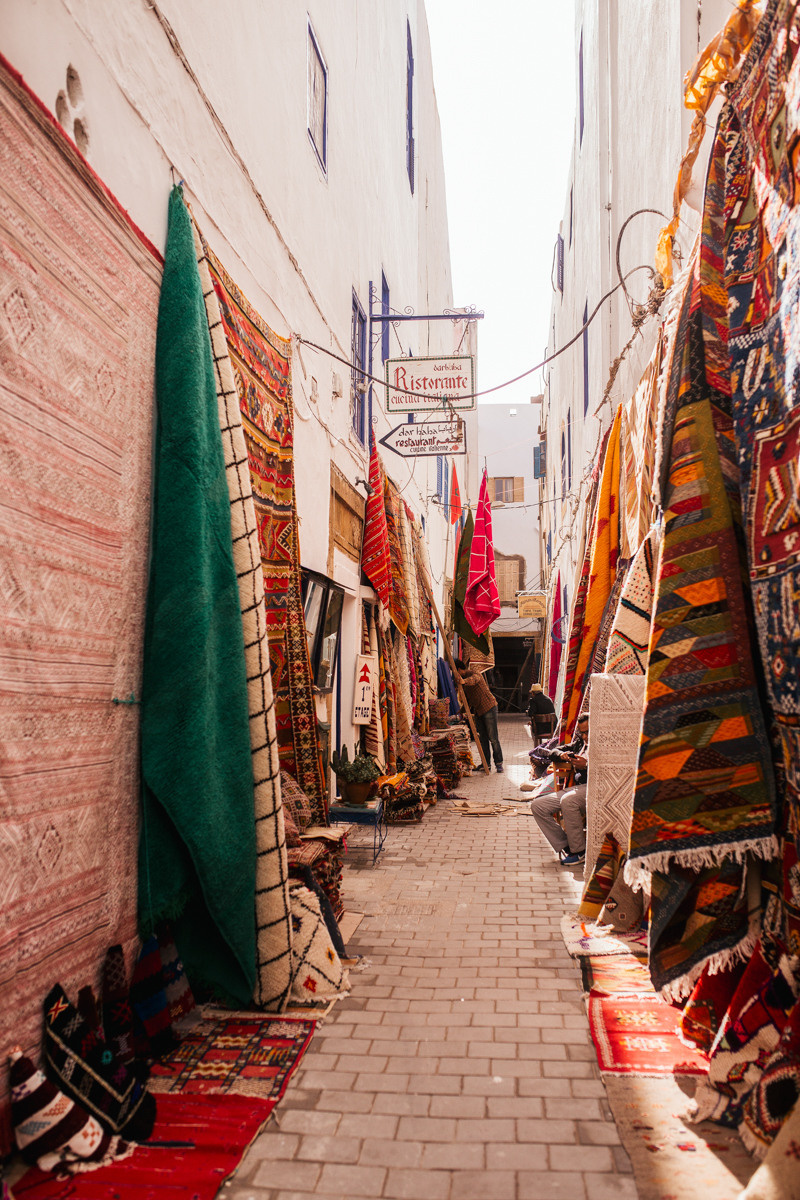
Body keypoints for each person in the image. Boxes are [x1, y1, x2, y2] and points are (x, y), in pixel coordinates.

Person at [529, 713, 589, 866]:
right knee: (538, 805)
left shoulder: (604, 746)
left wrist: (587, 765)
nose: (585, 736)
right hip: (578, 788)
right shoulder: (580, 744)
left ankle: (579, 851)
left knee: (568, 801)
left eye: (588, 732)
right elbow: (554, 752)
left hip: (594, 787)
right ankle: (566, 846)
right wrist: (563, 755)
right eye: (582, 733)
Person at [453, 657, 504, 772]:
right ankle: (486, 764)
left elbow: (474, 679)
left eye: (455, 671)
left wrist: (463, 681)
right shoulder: (463, 683)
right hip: (478, 711)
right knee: (482, 739)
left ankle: (499, 763)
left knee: (493, 738)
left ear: (460, 670)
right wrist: (460, 713)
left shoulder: (474, 673)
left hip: (489, 708)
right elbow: (468, 700)